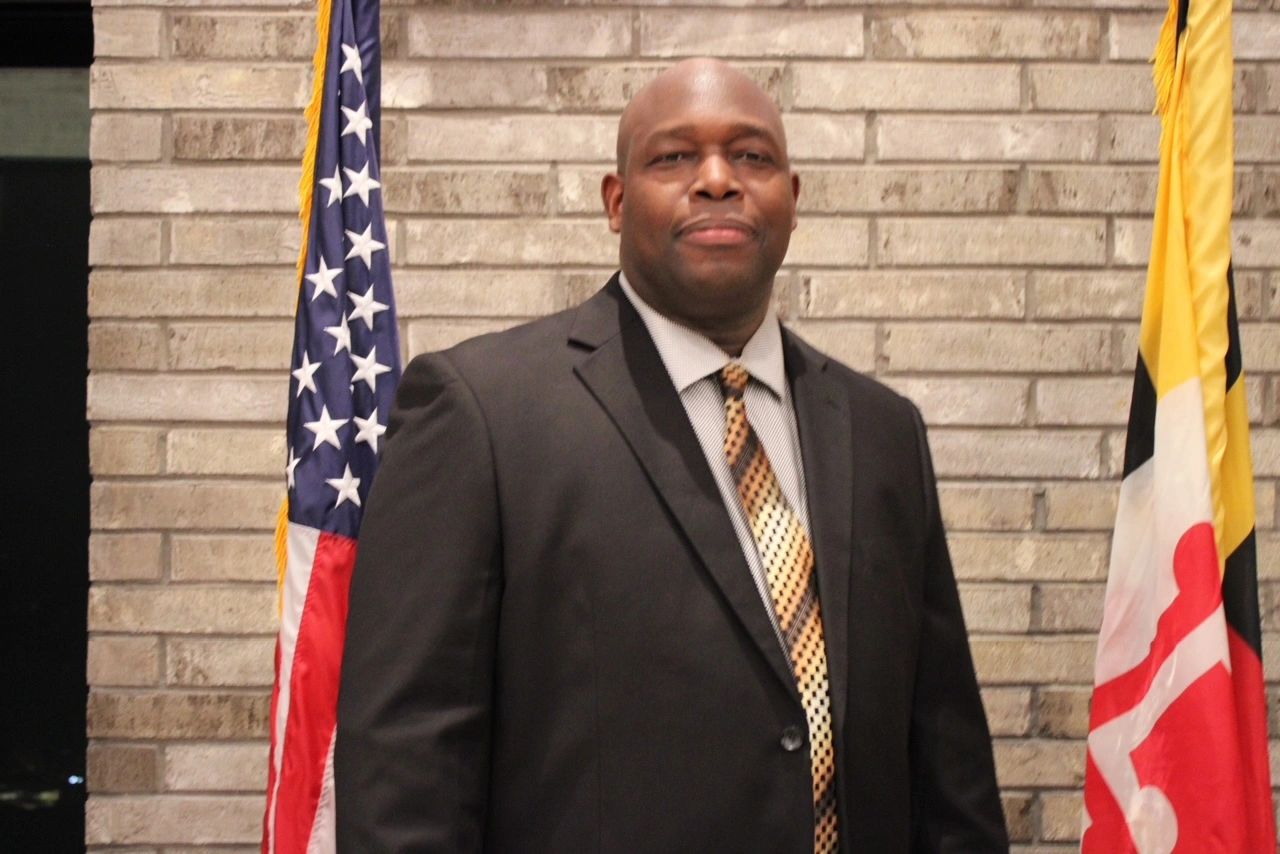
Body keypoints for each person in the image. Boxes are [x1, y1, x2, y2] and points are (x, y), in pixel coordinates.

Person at [335, 58, 1007, 853]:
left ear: (793, 201)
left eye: (752, 157)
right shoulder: (479, 413)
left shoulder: (883, 430)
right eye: (673, 158)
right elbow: (407, 763)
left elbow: (946, 762)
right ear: (616, 202)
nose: (718, 179)